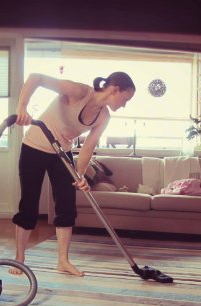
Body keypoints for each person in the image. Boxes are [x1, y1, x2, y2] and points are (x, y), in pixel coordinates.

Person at [10, 71, 136, 276]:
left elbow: (87, 148)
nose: (124, 104)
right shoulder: (79, 91)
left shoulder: (104, 116)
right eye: (126, 98)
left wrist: (80, 176)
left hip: (62, 153)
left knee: (67, 207)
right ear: (115, 89)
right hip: (34, 146)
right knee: (29, 205)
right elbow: (37, 78)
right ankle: (19, 259)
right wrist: (22, 107)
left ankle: (63, 261)